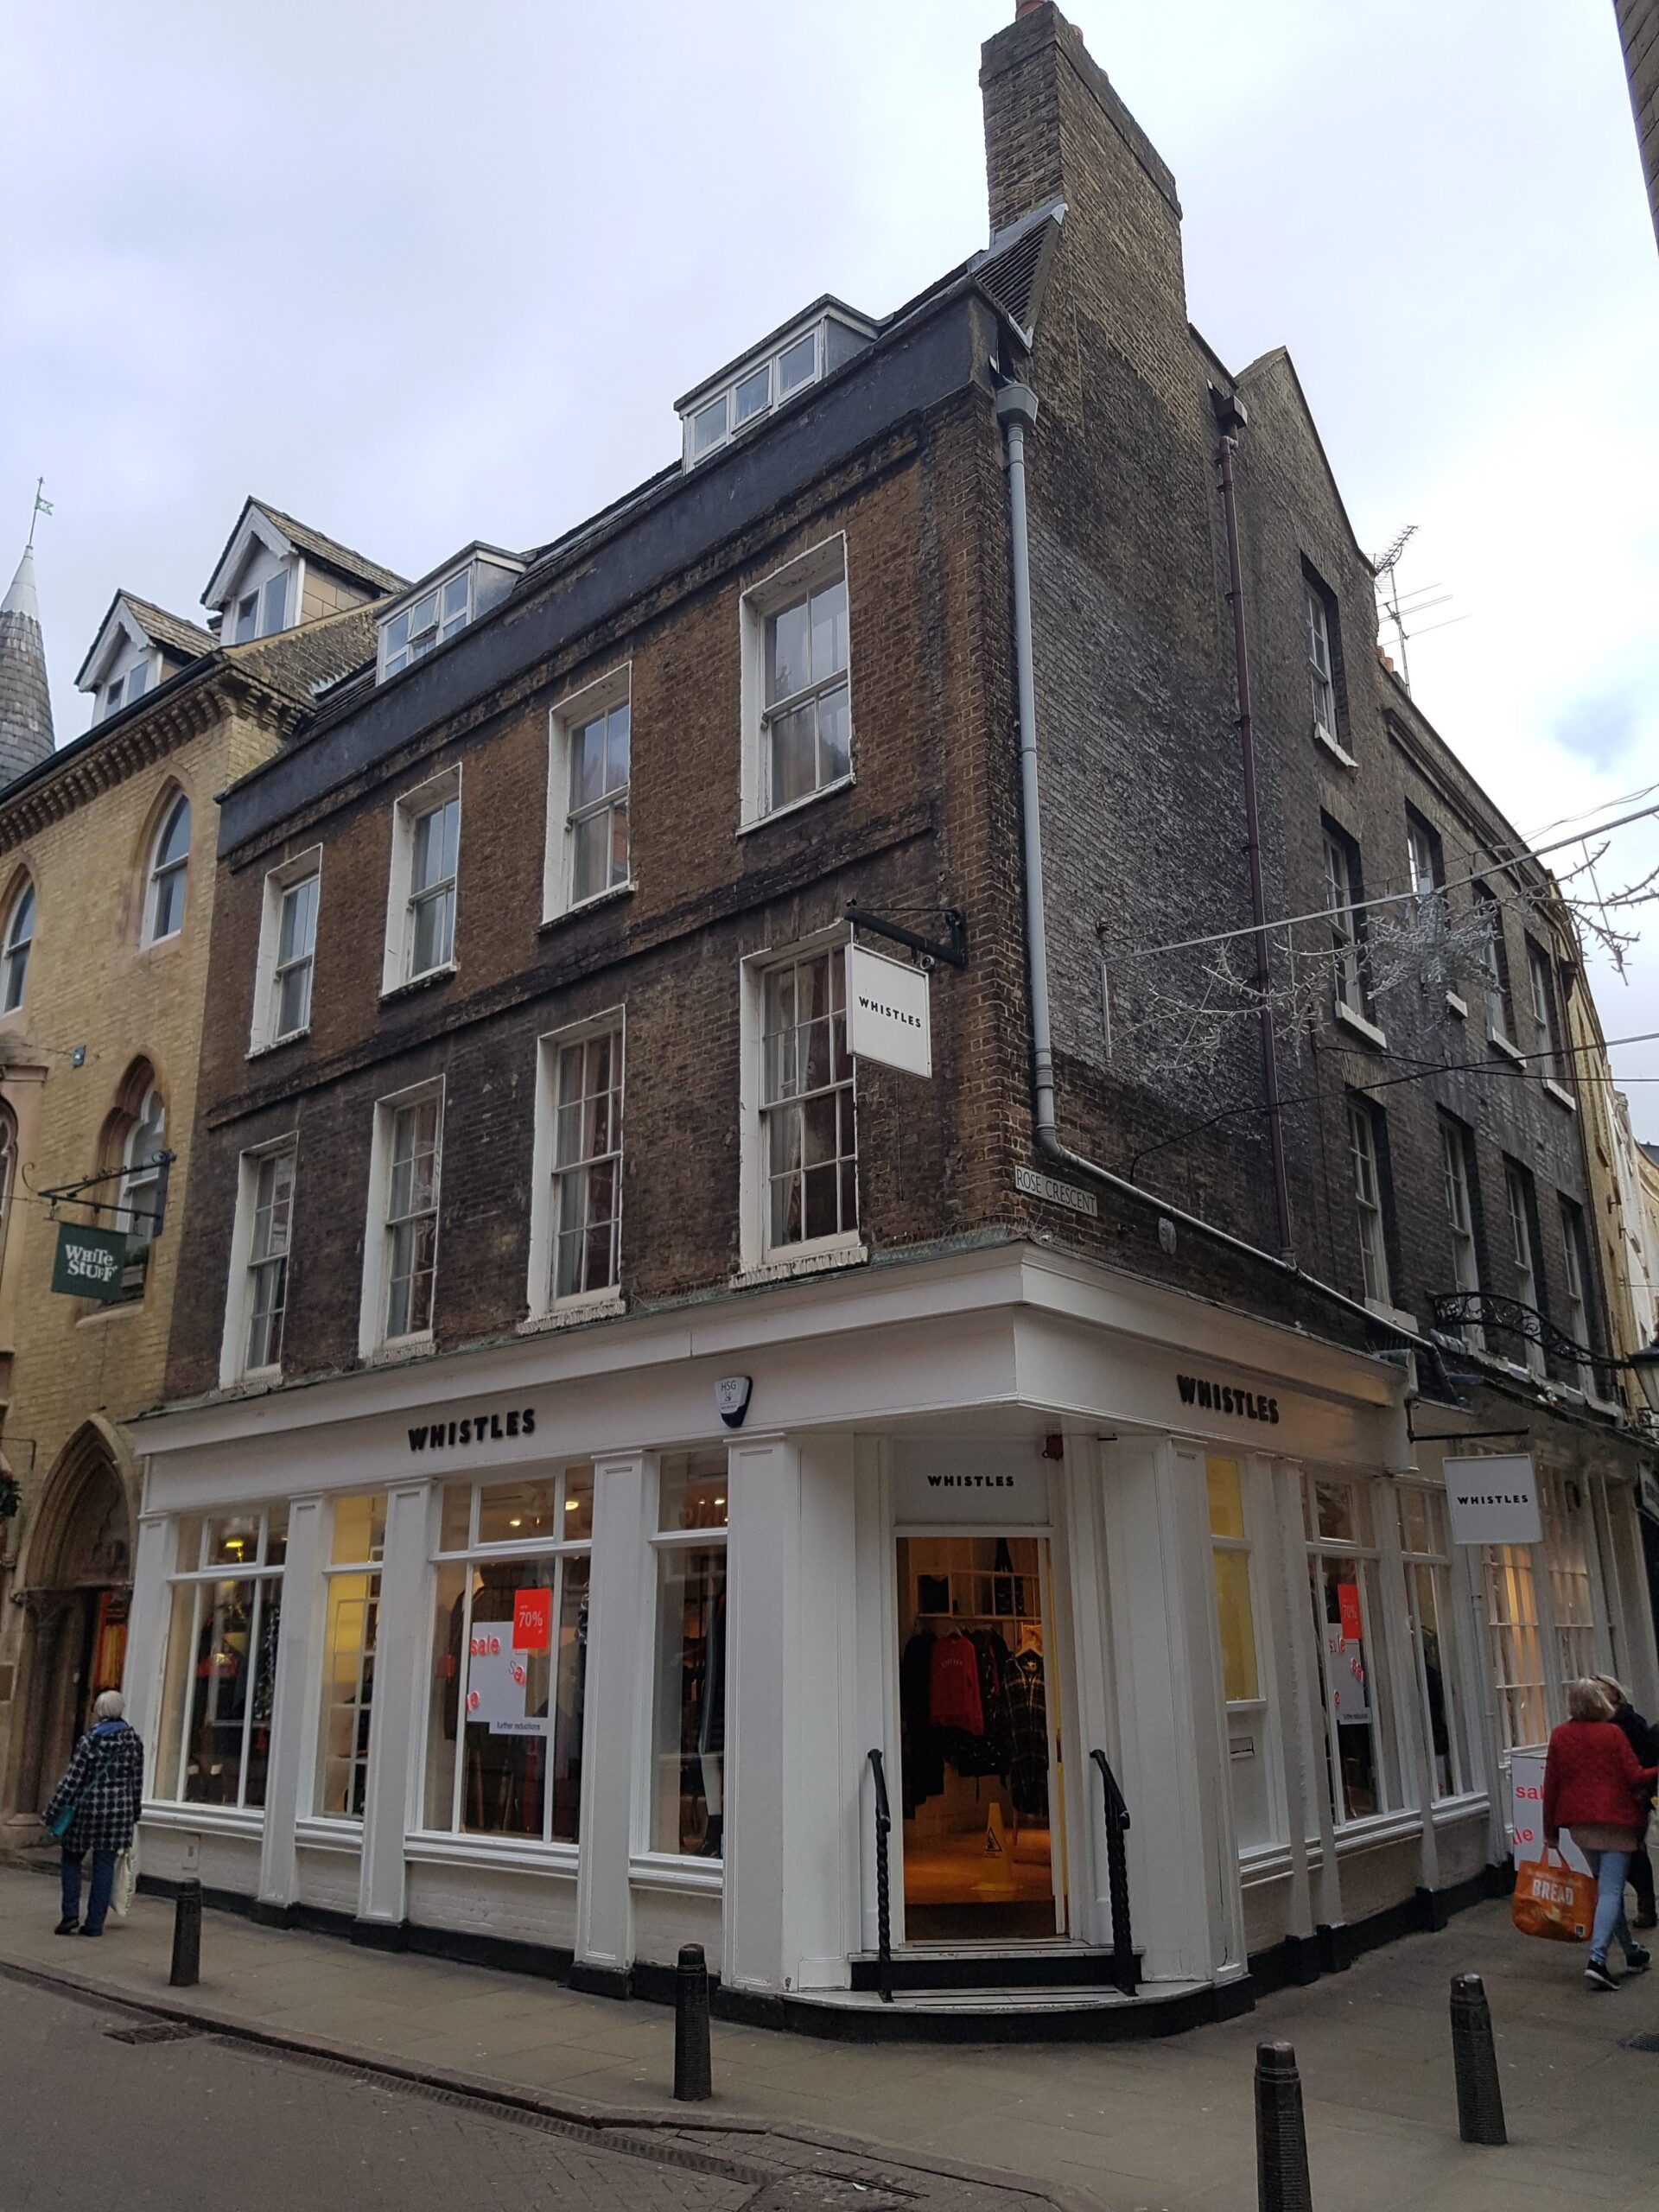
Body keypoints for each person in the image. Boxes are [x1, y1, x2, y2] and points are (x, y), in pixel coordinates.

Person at [1543, 1678, 1659, 1990]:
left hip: (1580, 1825)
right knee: (1610, 1891)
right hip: (1616, 1822)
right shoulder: (1612, 1734)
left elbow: (1551, 1784)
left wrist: (1550, 1831)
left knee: (1607, 1890)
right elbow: (1635, 1777)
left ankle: (1631, 1951)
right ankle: (1597, 1960)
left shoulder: (1560, 1735)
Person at [43, 1689, 144, 1939]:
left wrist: (53, 1809)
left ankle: (70, 1915)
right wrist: (134, 1812)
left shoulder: (90, 1740)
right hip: (119, 1811)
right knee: (104, 1864)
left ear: (99, 1710)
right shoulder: (134, 1742)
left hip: (88, 1809)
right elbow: (136, 1781)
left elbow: (73, 1780)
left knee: (71, 1858)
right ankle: (95, 1924)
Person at [1595, 1673, 1659, 1930]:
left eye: (1602, 1689)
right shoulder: (1592, 1723)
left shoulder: (1630, 1721)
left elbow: (1647, 1756)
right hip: (1605, 1798)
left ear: (1616, 1693)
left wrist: (1645, 1791)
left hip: (1633, 1794)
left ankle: (1646, 1905)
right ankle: (1618, 1908)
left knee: (1635, 1853)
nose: (1598, 1694)